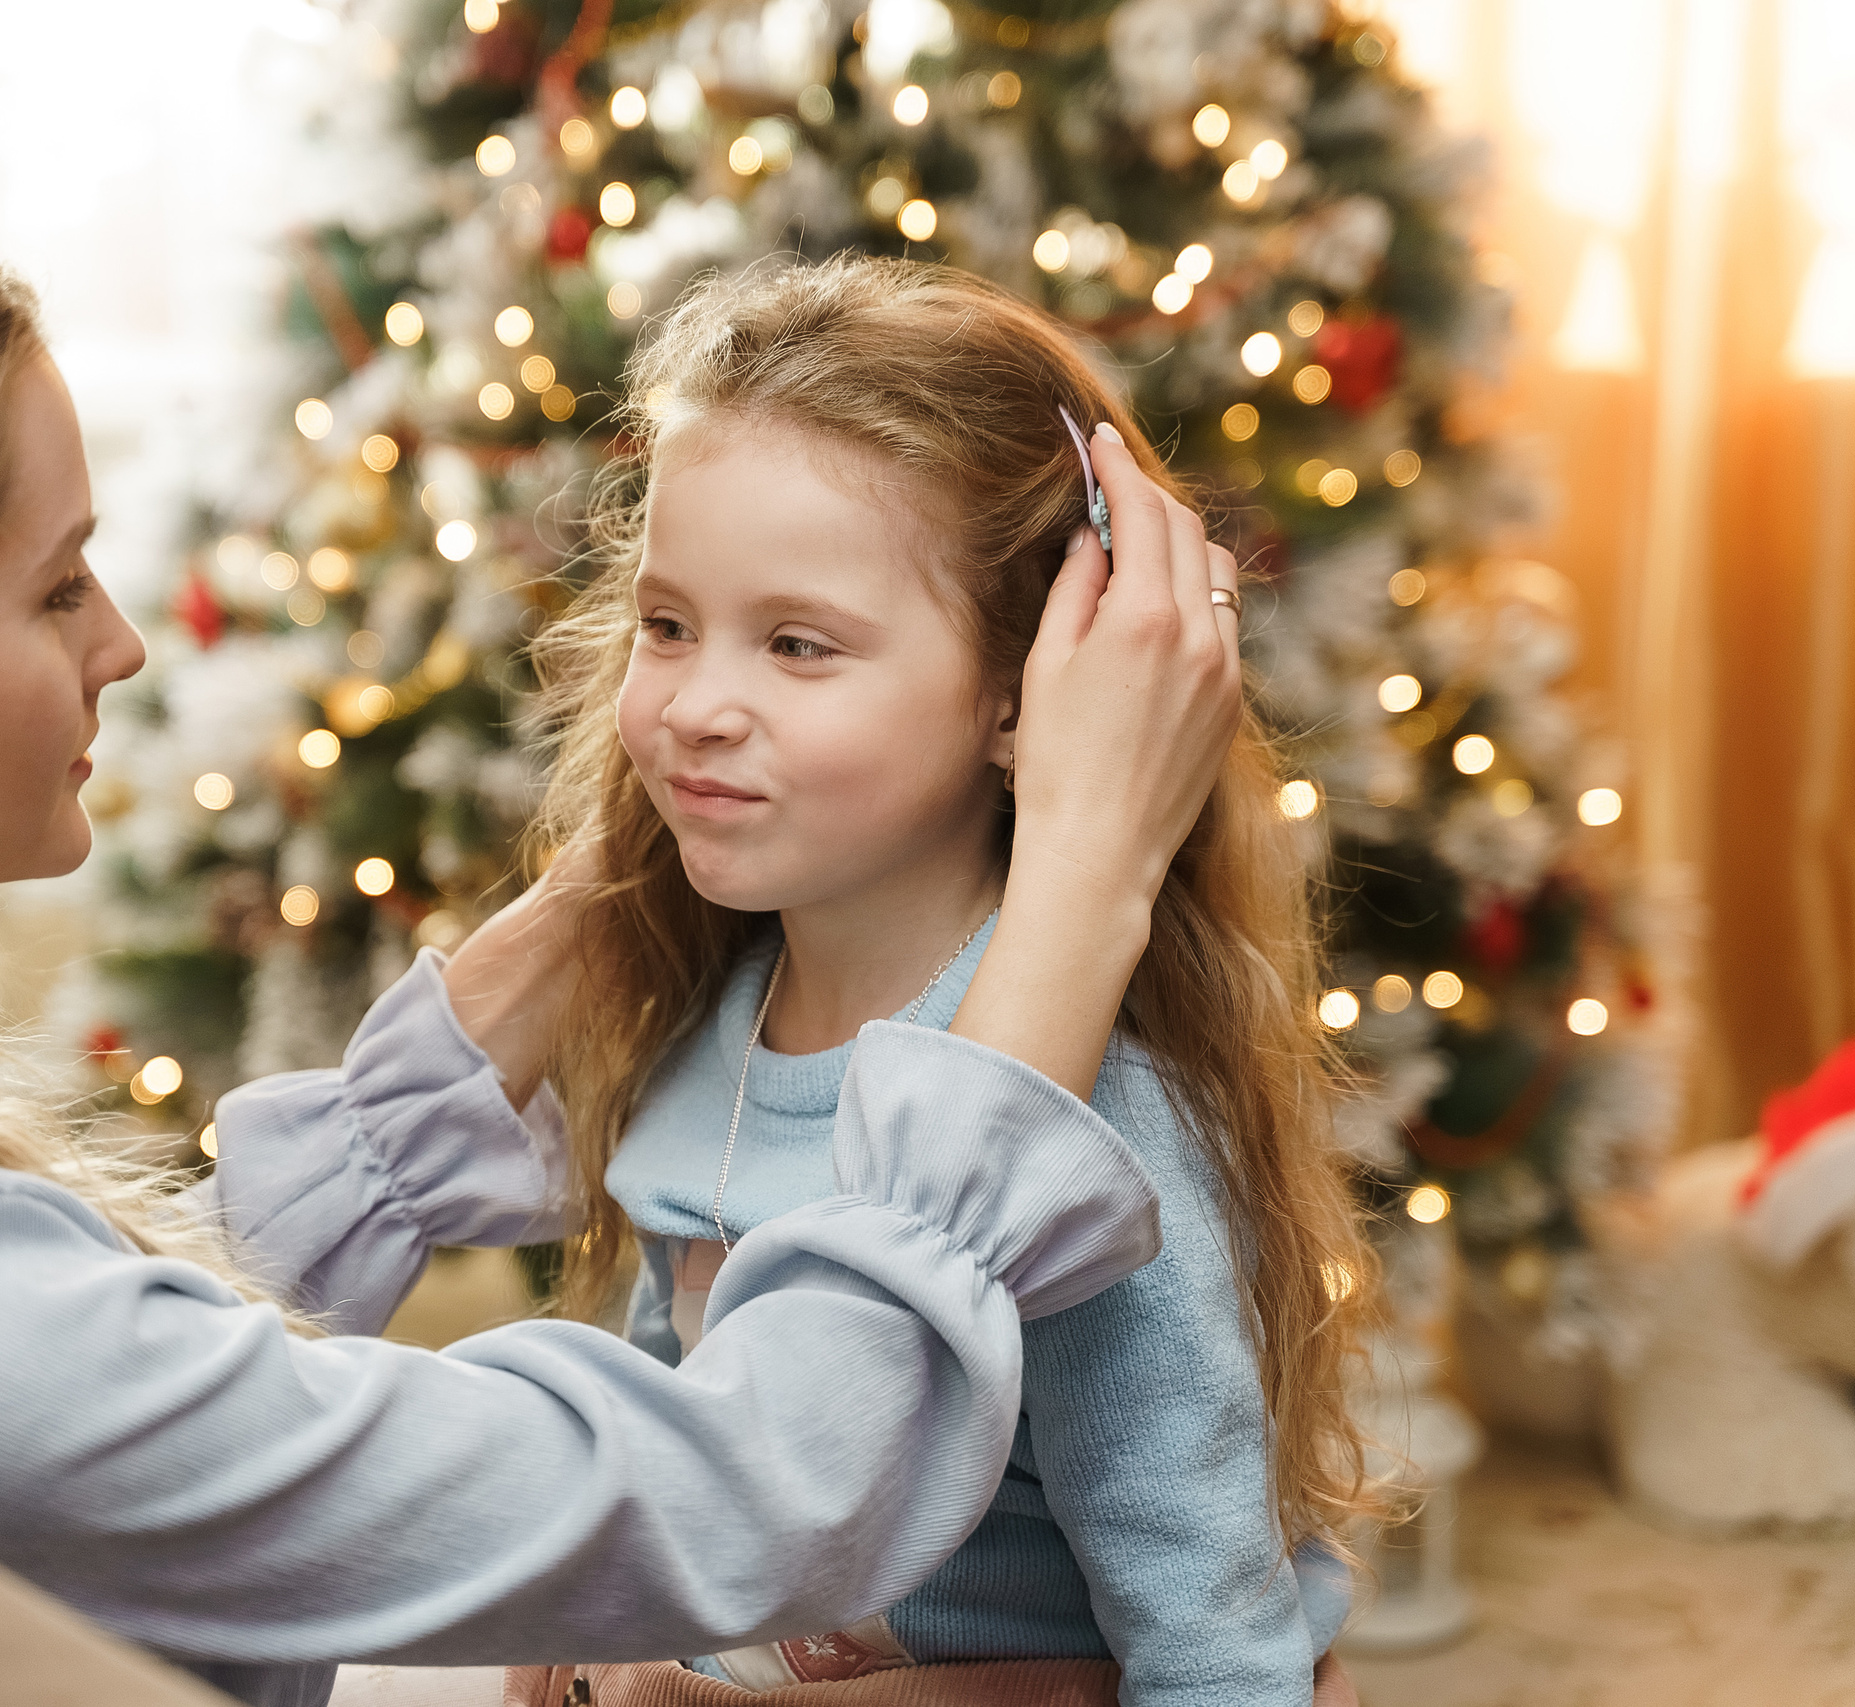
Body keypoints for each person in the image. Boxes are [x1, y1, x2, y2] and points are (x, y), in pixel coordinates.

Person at [0, 185, 1256, 1707]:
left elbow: (145, 1413)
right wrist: (1086, 869)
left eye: (796, 645)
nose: (122, 644)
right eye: (54, 587)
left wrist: (597, 916)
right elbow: (726, 1486)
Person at [517, 257, 1374, 1704]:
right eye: (668, 626)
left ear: (1017, 695)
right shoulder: (718, 1007)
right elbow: (678, 1396)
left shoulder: (1082, 1109)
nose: (696, 706)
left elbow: (1203, 1592)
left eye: (798, 645)